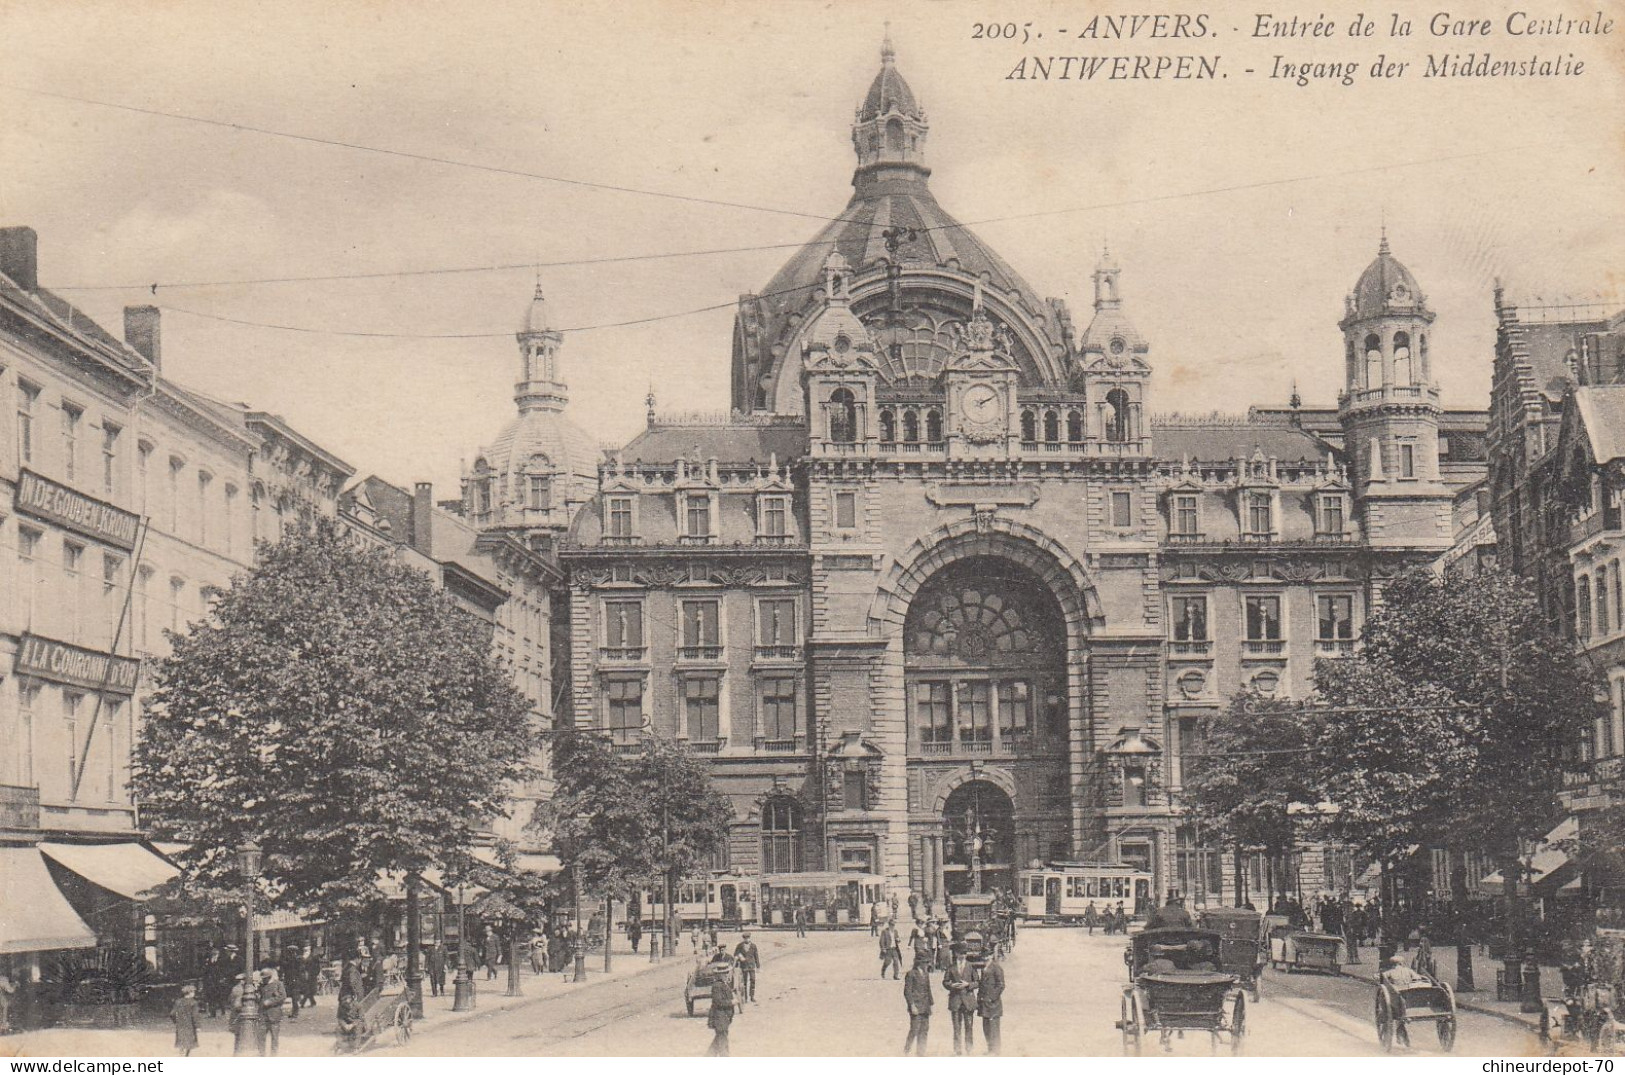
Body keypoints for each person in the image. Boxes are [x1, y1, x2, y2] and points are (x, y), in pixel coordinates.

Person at [942, 943, 978, 1055]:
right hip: (955, 1001)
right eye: (960, 953)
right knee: (956, 1027)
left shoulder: (971, 966)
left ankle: (969, 1049)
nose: (962, 955)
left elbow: (977, 982)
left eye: (964, 953)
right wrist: (951, 985)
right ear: (956, 954)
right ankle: (957, 1050)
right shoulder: (951, 967)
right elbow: (945, 981)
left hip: (968, 1001)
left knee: (969, 1026)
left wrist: (968, 984)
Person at [706, 957, 738, 1056]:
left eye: (727, 972)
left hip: (724, 1018)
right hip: (719, 1018)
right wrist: (732, 1002)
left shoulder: (724, 984)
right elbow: (718, 1002)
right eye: (725, 973)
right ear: (719, 975)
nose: (727, 975)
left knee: (717, 1043)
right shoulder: (717, 986)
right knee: (723, 1043)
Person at [902, 954, 933, 1056]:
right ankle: (906, 1050)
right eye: (924, 962)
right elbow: (907, 992)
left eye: (927, 962)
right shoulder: (911, 974)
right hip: (916, 1005)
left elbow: (928, 989)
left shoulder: (925, 973)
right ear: (919, 963)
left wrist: (930, 1004)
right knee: (914, 1029)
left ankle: (921, 1053)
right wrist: (911, 1005)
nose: (926, 964)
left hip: (925, 1006)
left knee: (924, 1030)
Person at [977, 946, 1006, 1055]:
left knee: (994, 1028)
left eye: (987, 955)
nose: (985, 958)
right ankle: (990, 1049)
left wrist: (991, 997)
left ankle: (996, 1050)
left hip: (993, 1003)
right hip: (984, 1003)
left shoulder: (996, 968)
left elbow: (1001, 985)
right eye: (983, 956)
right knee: (986, 1028)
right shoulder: (984, 968)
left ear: (990, 956)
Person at [259, 967, 287, 1056]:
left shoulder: (278, 984)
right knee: (261, 1036)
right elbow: (259, 998)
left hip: (274, 1014)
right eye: (263, 979)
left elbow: (282, 996)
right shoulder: (261, 985)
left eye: (266, 978)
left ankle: (273, 1056)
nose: (264, 980)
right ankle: (261, 1055)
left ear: (270, 977)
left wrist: (270, 1001)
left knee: (274, 1037)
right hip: (263, 1014)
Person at [170, 984, 202, 1057]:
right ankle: (186, 1056)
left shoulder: (178, 1002)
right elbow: (195, 1016)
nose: (194, 993)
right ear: (190, 993)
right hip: (189, 1026)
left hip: (180, 1025)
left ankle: (182, 1054)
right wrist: (197, 1026)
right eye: (193, 992)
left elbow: (172, 1014)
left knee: (182, 1042)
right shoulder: (193, 1002)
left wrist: (176, 1021)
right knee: (189, 1042)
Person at [734, 931, 761, 1003]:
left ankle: (752, 996)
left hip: (751, 966)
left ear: (750, 938)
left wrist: (758, 966)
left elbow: (756, 956)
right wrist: (740, 957)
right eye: (745, 938)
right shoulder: (739, 946)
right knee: (744, 982)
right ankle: (745, 997)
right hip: (744, 966)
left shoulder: (753, 946)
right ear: (743, 939)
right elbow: (736, 954)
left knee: (753, 980)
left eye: (748, 938)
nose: (747, 939)